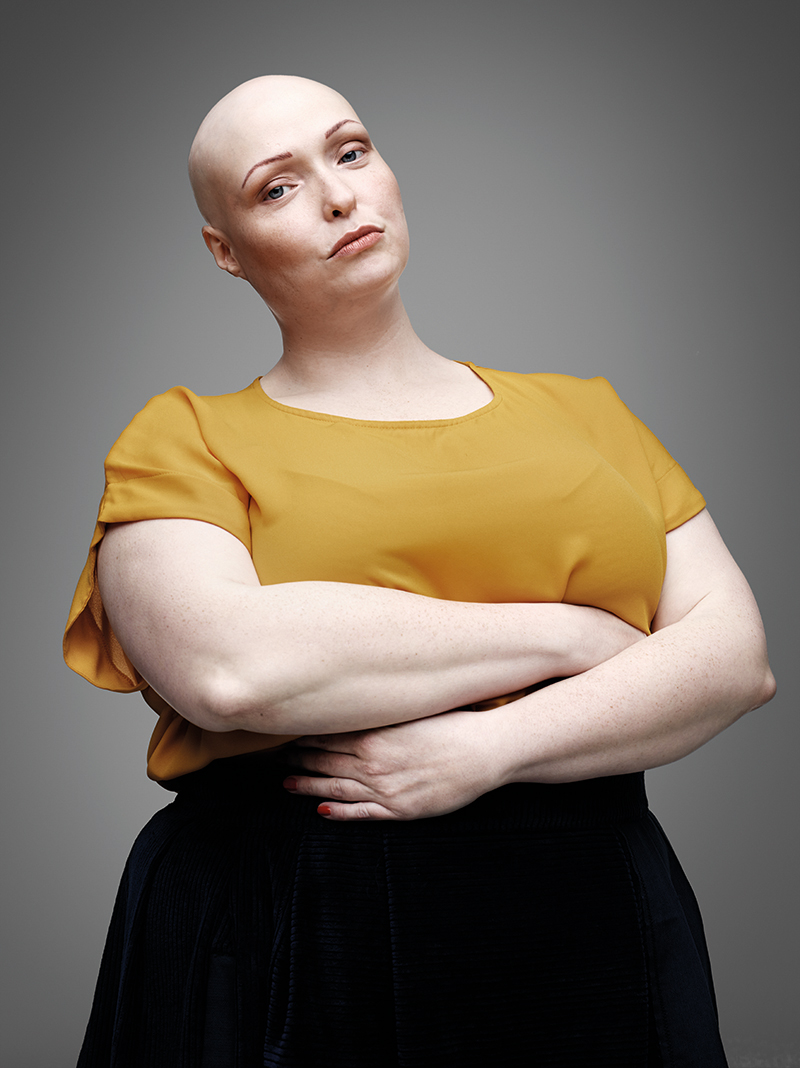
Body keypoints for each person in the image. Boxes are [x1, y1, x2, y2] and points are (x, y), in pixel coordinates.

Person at [64, 75, 775, 1067]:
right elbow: (228, 669)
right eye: (277, 187)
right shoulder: (183, 435)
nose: (337, 196)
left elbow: (735, 660)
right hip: (291, 909)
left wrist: (489, 750)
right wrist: (567, 635)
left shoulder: (587, 412)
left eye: (350, 151)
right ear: (225, 250)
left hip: (591, 912)